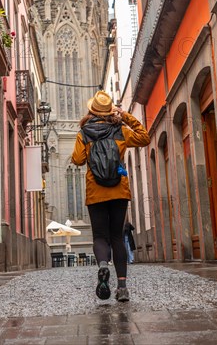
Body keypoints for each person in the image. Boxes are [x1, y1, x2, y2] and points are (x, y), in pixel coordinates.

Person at [71, 91, 150, 302]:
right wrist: (124, 115)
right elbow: (144, 137)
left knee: (100, 236)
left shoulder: (84, 133)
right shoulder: (121, 131)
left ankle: (103, 265)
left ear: (92, 110)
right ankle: (122, 287)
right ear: (110, 110)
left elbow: (77, 159)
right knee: (117, 237)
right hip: (118, 190)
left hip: (95, 192)